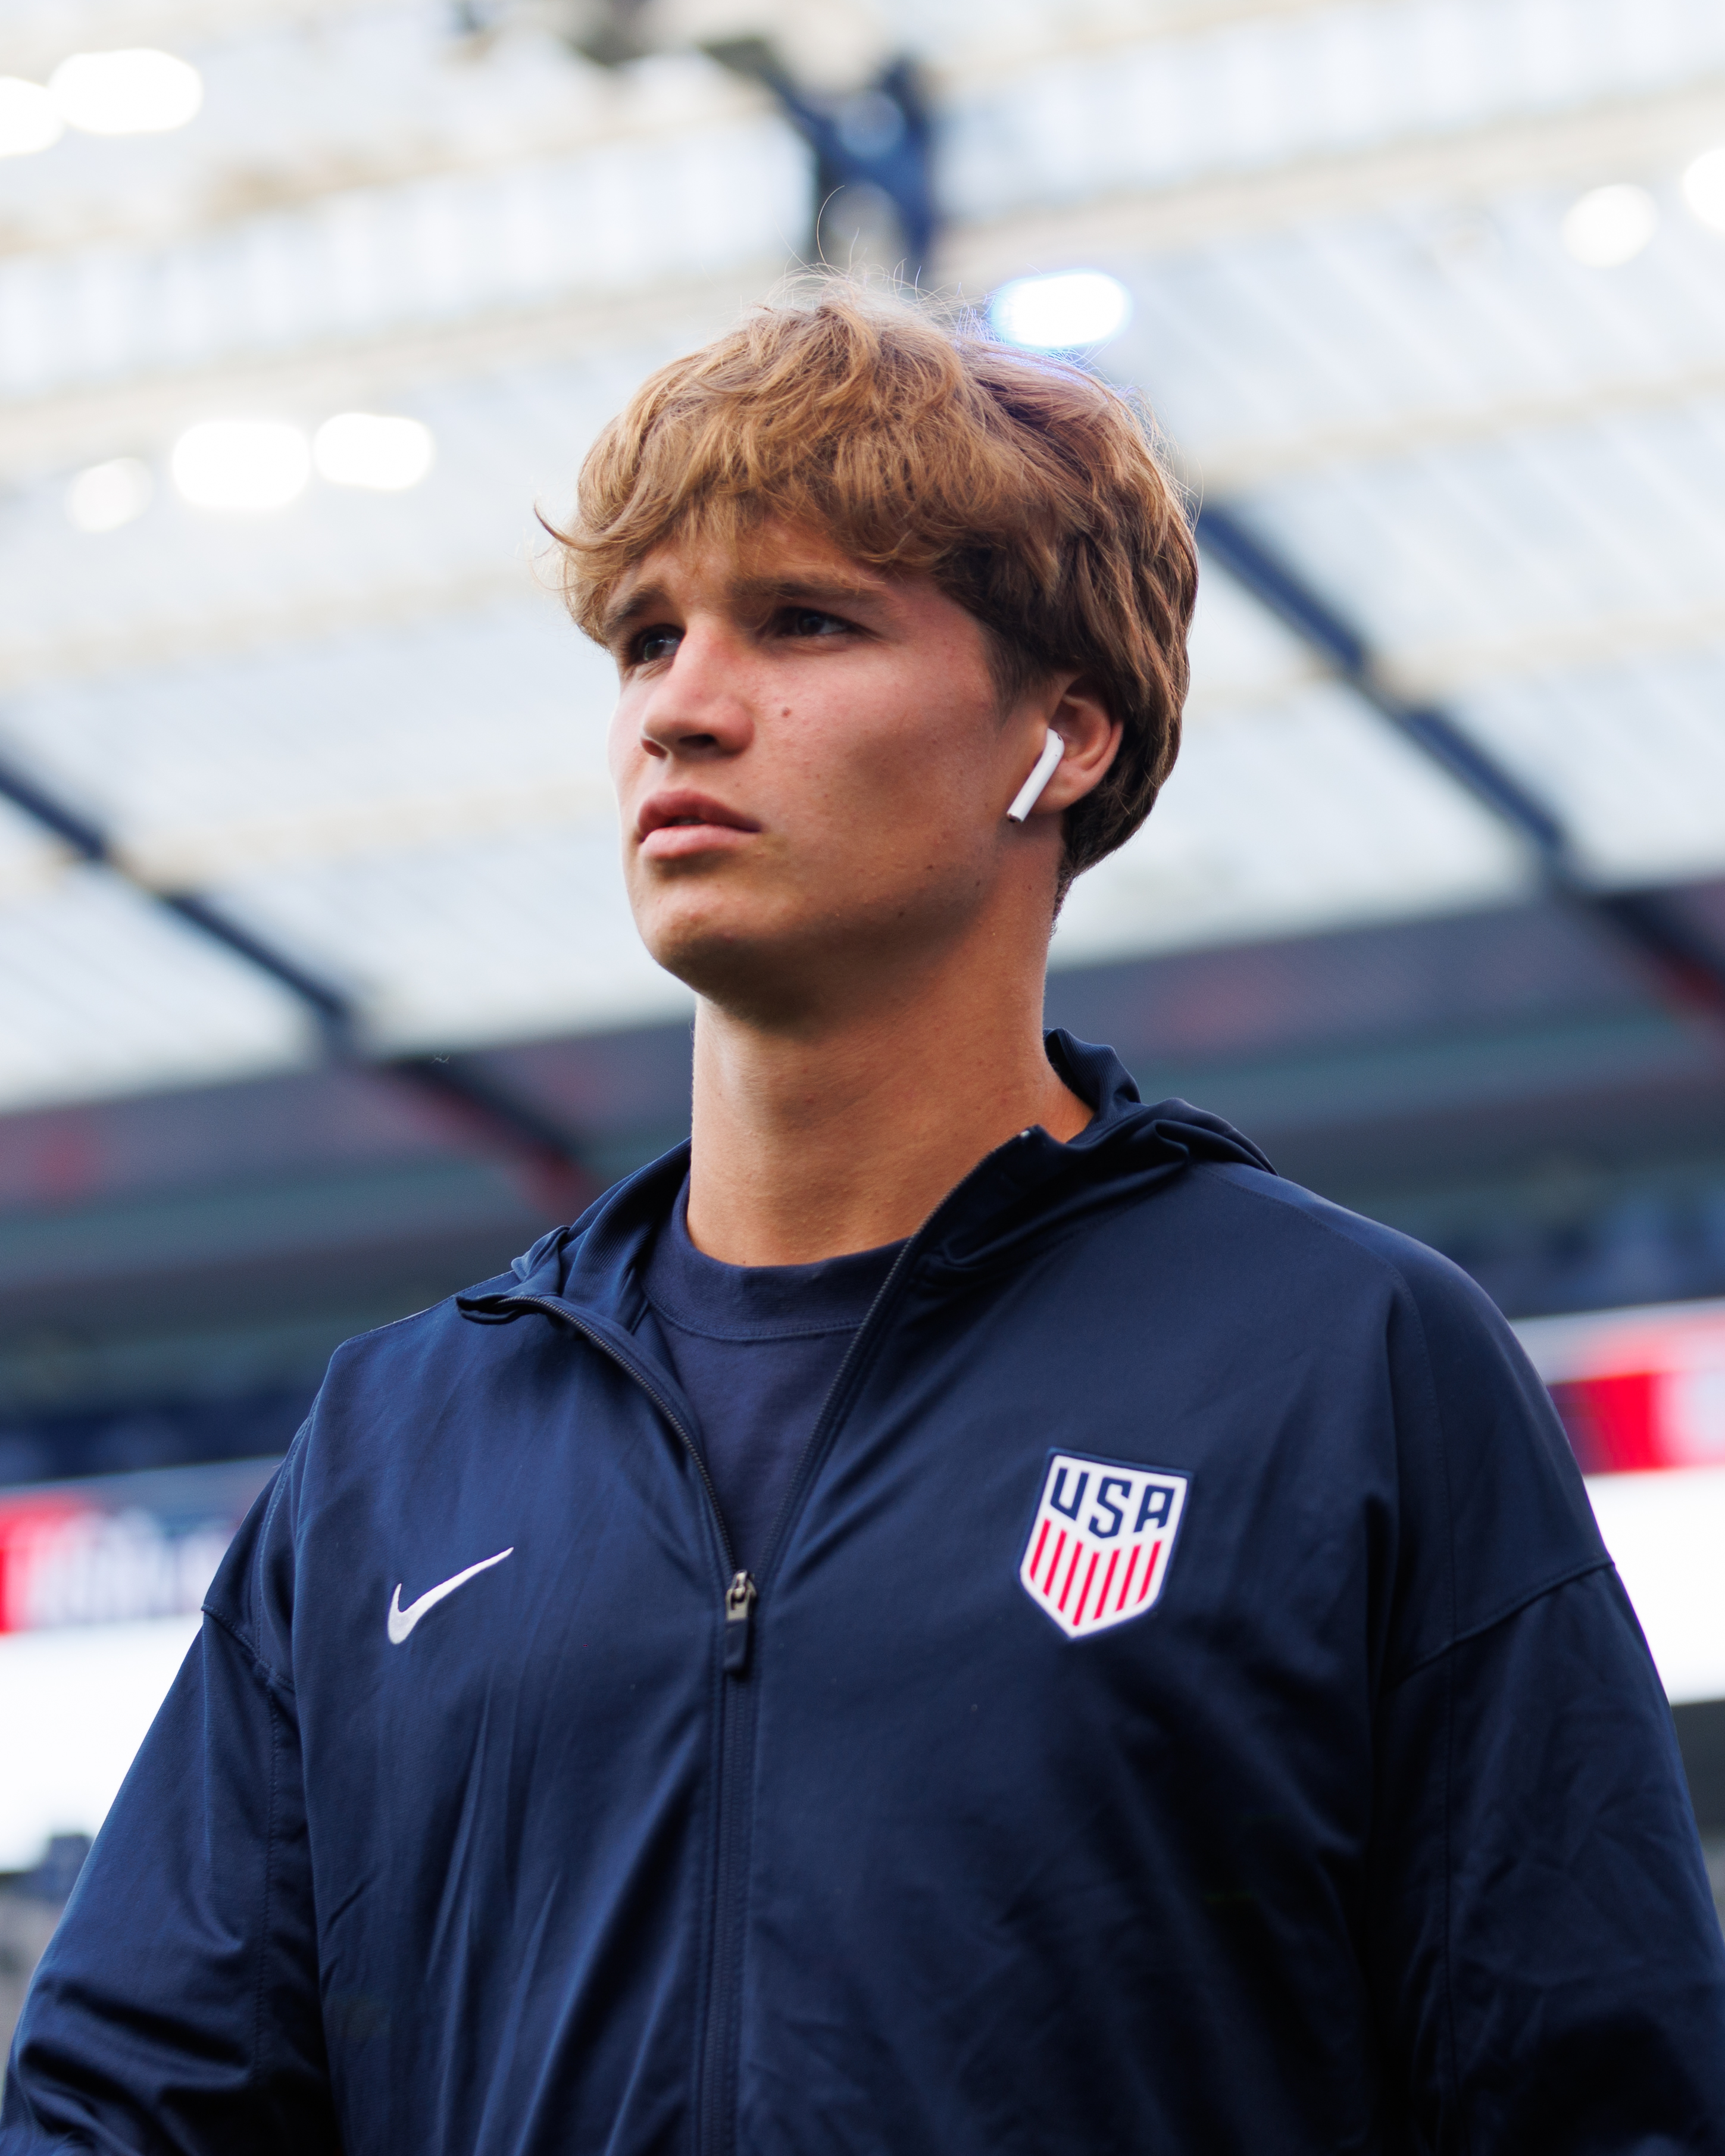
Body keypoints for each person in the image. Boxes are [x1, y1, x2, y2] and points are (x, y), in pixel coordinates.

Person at [5, 283, 1724, 2156]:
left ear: (1060, 736)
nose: (682, 708)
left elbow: (1597, 2097)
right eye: (645, 637)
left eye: (802, 622)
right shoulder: (402, 1442)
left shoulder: (1346, 1365)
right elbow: (125, 2108)